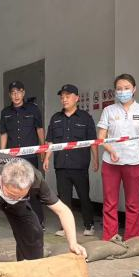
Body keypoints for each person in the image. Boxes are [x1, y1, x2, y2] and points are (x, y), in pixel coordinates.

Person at [97, 74, 139, 242]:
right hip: (111, 163)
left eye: (126, 88)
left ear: (134, 89)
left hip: (134, 162)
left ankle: (132, 238)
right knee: (110, 202)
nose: (123, 91)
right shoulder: (109, 110)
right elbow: (101, 137)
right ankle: (110, 237)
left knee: (133, 203)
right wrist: (111, 150)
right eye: (119, 89)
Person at [43, 84, 99, 237]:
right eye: (62, 97)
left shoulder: (85, 118)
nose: (64, 99)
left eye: (67, 96)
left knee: (84, 197)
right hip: (61, 165)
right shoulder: (56, 118)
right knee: (63, 199)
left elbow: (93, 141)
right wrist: (47, 158)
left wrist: (96, 159)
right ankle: (64, 227)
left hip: (80, 165)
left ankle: (89, 225)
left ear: (77, 98)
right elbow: (50, 141)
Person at [0, 80, 46, 228]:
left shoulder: (33, 109)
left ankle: (39, 221)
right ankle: (21, 222)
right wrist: (3, 154)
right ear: (10, 95)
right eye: (13, 93)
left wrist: (43, 149)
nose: (16, 95)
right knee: (15, 189)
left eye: (18, 92)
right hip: (14, 158)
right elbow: (4, 134)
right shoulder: (5, 113)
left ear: (23, 93)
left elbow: (39, 129)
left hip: (30, 156)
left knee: (33, 188)